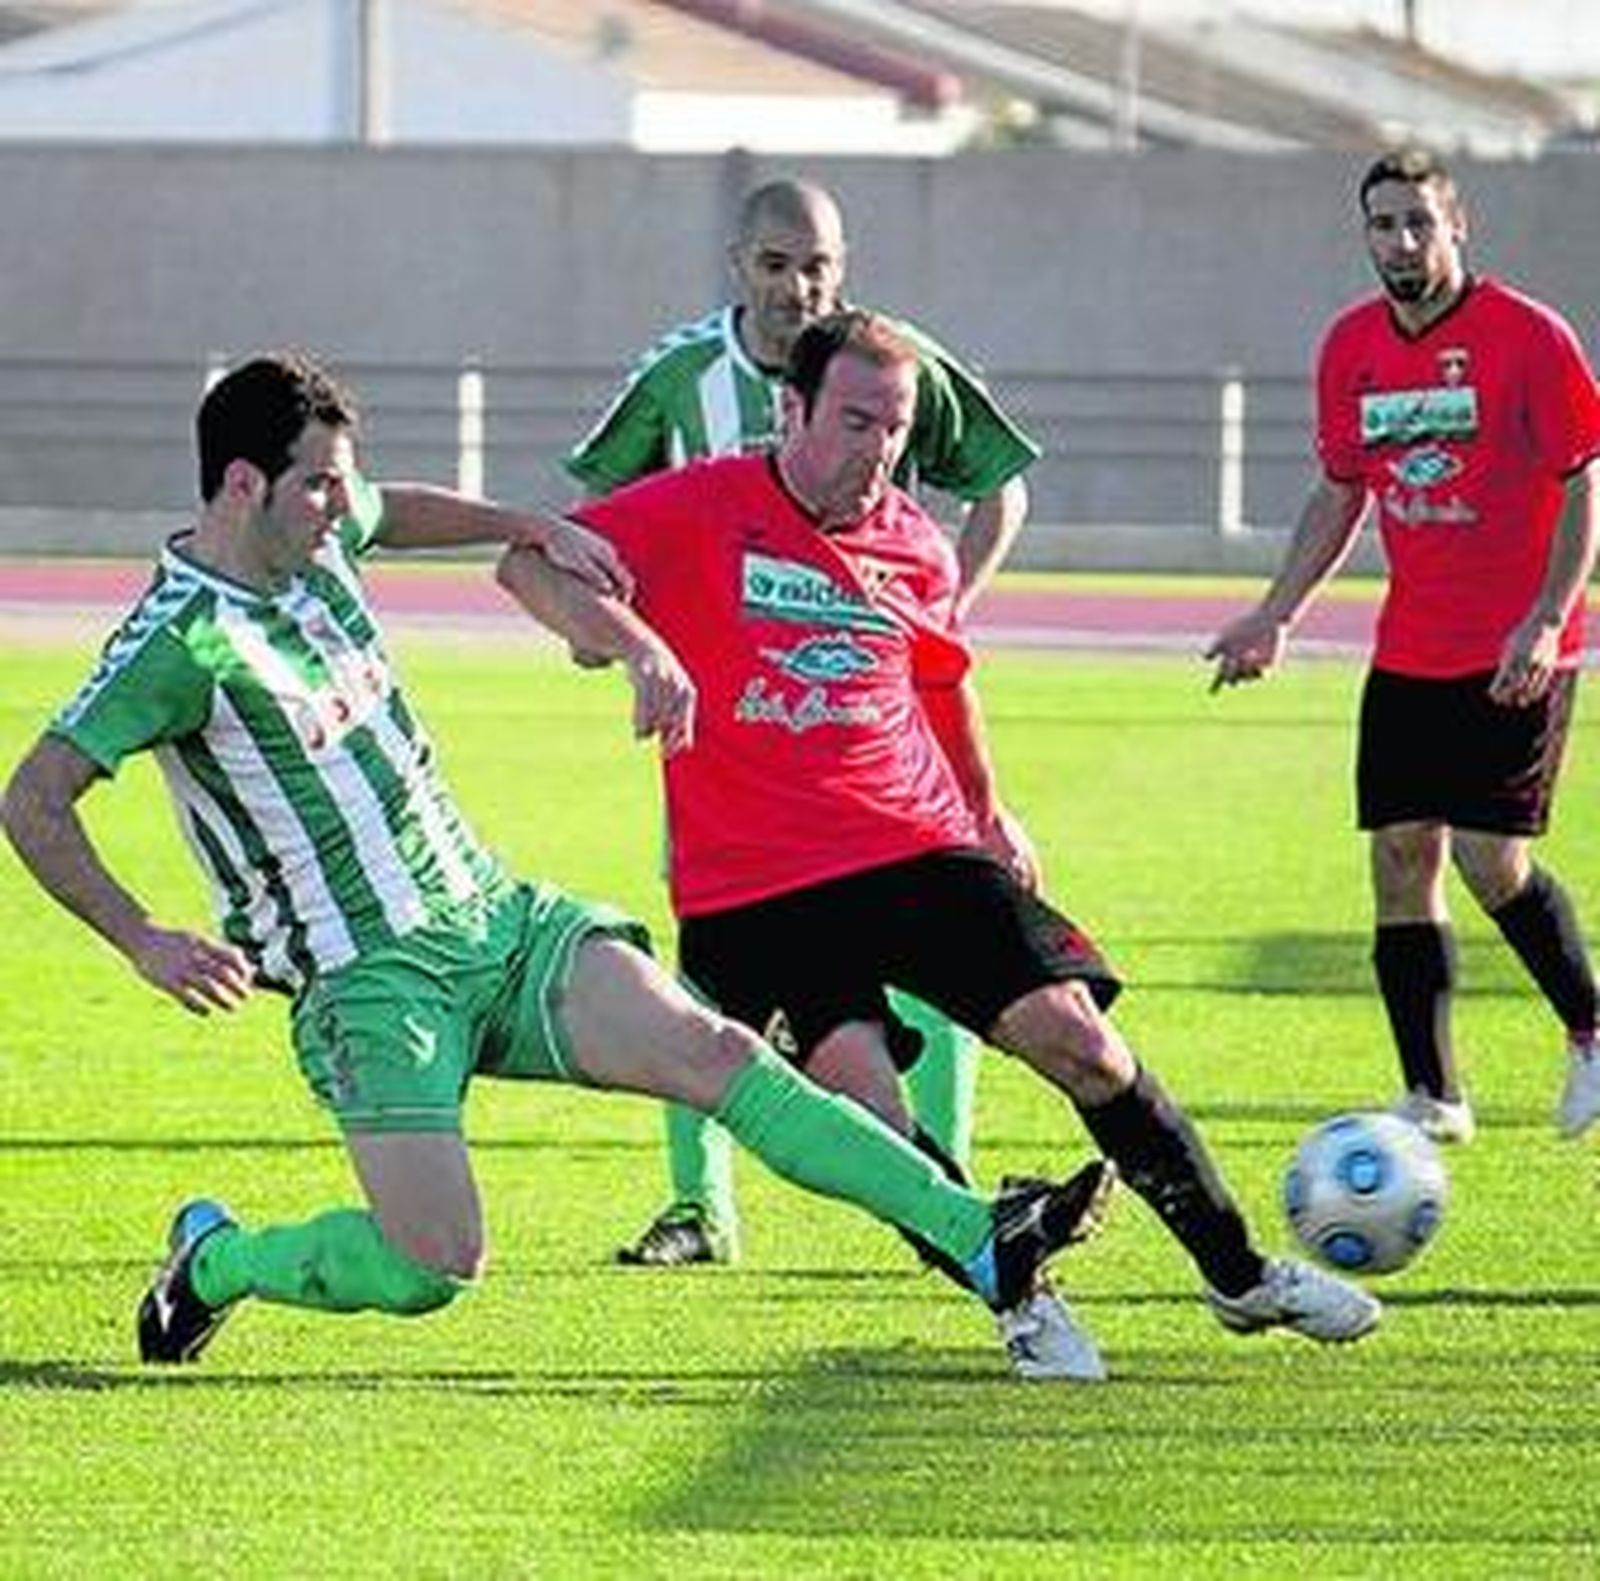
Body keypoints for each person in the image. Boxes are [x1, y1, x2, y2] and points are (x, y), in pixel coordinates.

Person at [0, 350, 1118, 1380]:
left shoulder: (320, 531)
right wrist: (142, 938)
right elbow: (33, 799)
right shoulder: (175, 643)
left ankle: (982, 1240)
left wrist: (526, 520)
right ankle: (215, 1265)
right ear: (241, 485)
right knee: (433, 1264)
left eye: (347, 485)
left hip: (493, 919)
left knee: (716, 1050)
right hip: (369, 984)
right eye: (322, 489)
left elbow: (400, 512)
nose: (346, 510)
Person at [499, 310, 1382, 1371]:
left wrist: (988, 809)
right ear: (792, 409)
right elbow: (527, 566)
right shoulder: (698, 506)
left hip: (914, 848)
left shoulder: (914, 544)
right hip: (754, 896)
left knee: (1082, 1042)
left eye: (895, 427)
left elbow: (941, 681)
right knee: (868, 1110)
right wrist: (639, 647)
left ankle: (1241, 1277)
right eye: (855, 420)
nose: (877, 450)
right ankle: (1020, 1294)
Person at [568, 177, 1040, 1268]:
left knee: (938, 936)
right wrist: (615, 630)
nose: (798, 286)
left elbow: (1000, 483)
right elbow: (590, 512)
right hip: (728, 727)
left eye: (818, 266)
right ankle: (699, 1207)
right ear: (739, 264)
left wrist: (942, 614)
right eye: (777, 265)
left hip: (875, 719)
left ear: (843, 265)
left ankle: (937, 1183)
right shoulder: (681, 373)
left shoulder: (891, 363)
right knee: (707, 956)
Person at [1206, 147, 1600, 1146]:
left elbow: (1581, 480)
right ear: (1365, 235)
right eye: (1383, 225)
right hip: (1411, 649)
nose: (1401, 242)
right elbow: (1340, 492)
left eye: (1419, 222)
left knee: (1488, 861)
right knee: (1398, 855)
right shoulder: (1350, 349)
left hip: (1518, 643)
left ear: (1456, 225)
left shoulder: (1525, 336)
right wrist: (1274, 613)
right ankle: (1433, 1095)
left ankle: (1591, 1033)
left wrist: (1548, 616)